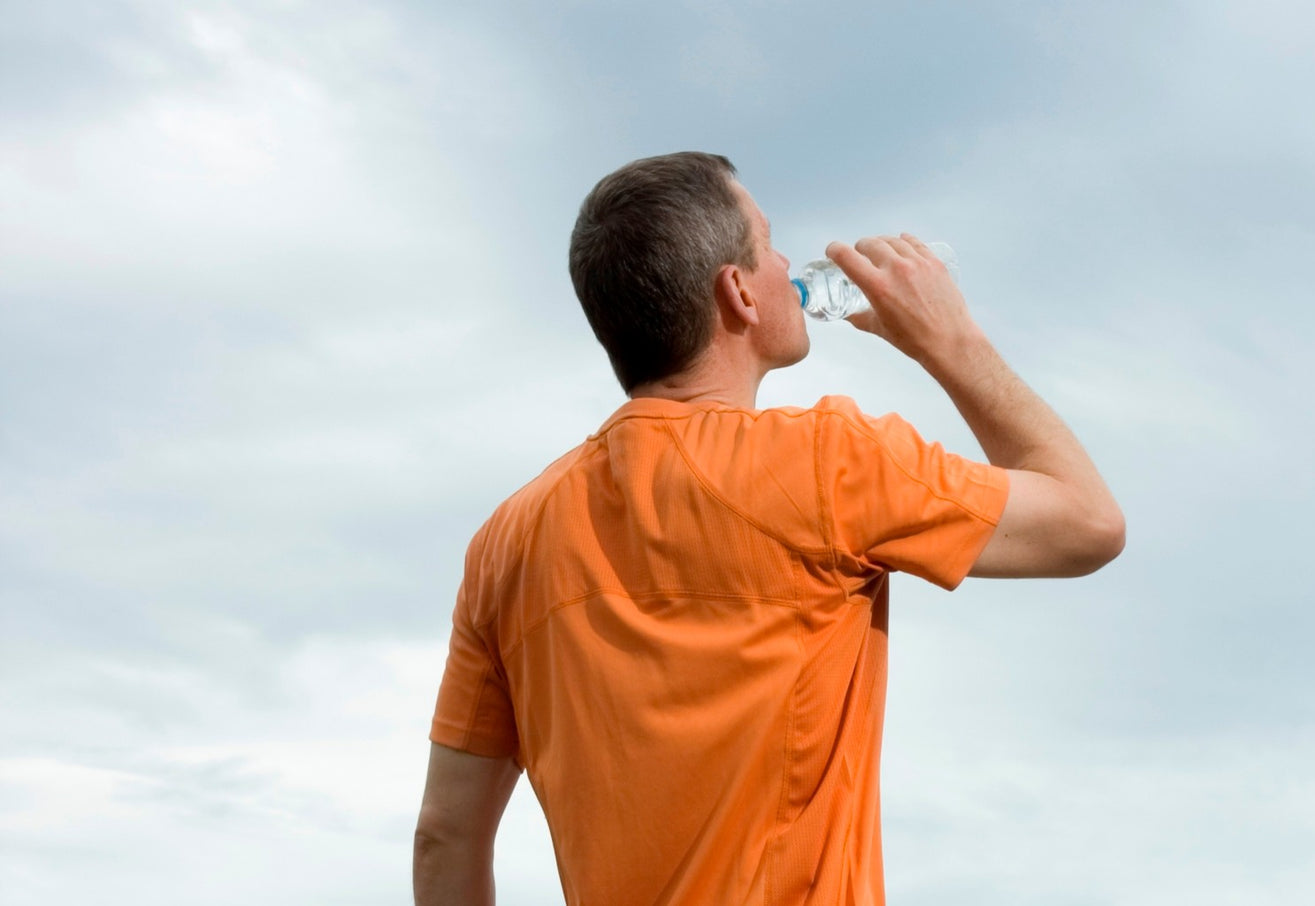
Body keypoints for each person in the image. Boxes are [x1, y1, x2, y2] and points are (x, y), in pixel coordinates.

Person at [412, 151, 1124, 906]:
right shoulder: (825, 461)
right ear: (740, 293)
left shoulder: (509, 539)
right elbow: (1087, 522)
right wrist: (950, 342)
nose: (790, 263)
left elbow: (447, 835)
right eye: (770, 242)